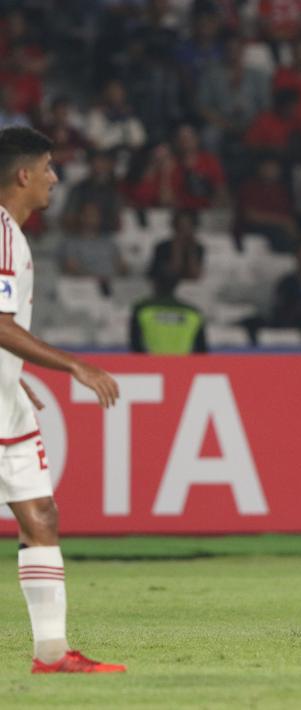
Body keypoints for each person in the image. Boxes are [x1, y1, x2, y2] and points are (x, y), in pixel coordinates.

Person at [0, 126, 125, 672]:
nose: (55, 178)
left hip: (5, 397)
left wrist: (12, 372)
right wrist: (74, 363)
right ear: (23, 175)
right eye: (48, 167)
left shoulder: (11, 233)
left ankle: (51, 654)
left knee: (41, 515)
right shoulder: (1, 235)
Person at [129, 274, 208, 354]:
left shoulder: (142, 309)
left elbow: (135, 344)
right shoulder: (193, 313)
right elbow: (201, 350)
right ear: (176, 286)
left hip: (151, 365)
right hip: (183, 365)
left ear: (154, 284)